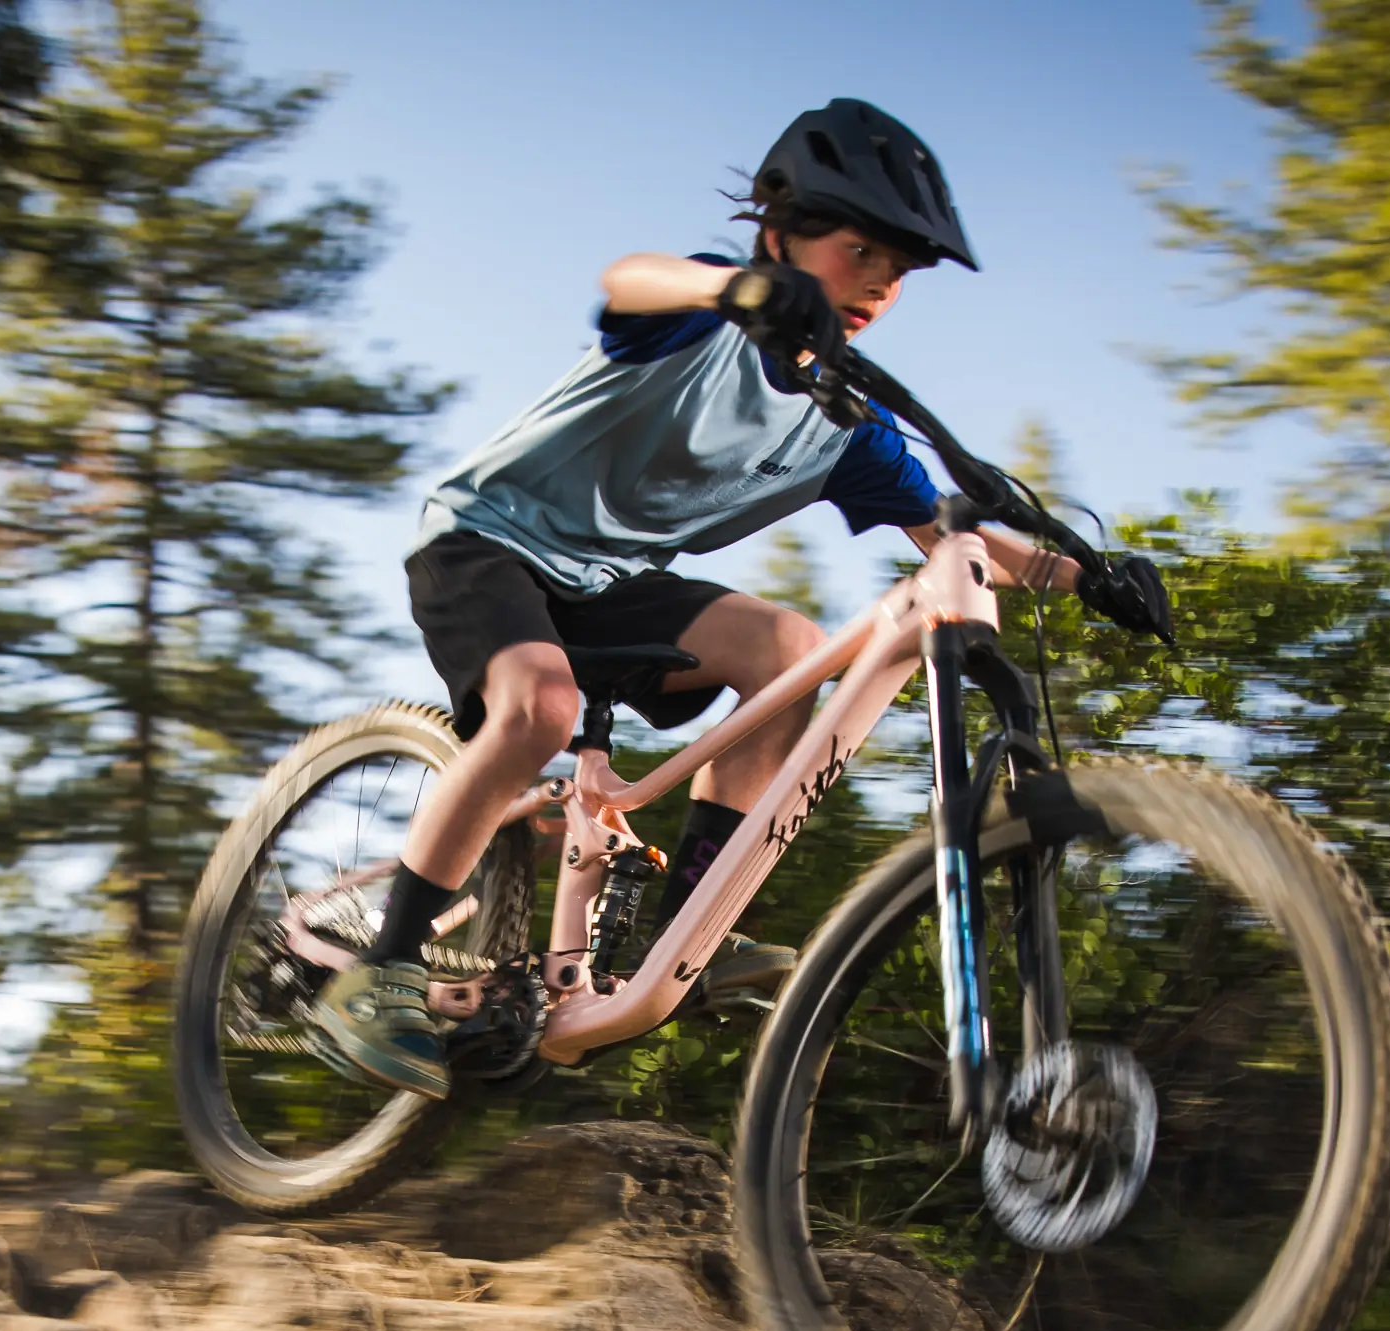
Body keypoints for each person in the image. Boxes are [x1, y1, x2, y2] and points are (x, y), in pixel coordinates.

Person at [306, 98, 1167, 1099]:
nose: (882, 282)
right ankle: (383, 968)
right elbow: (625, 279)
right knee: (536, 707)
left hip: (609, 586)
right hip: (486, 540)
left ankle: (692, 929)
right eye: (861, 251)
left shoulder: (843, 421)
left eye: (899, 271)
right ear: (778, 229)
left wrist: (1089, 576)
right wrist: (738, 288)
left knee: (788, 643)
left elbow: (951, 534)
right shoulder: (697, 314)